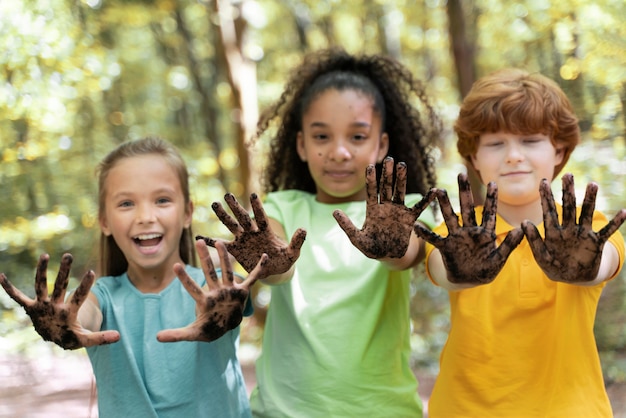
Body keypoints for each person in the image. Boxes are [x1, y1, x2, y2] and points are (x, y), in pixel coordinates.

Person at [197, 48, 442, 417]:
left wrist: (391, 246)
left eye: (357, 137)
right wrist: (271, 261)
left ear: (382, 145)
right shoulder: (281, 207)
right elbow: (281, 264)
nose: (339, 151)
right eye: (322, 137)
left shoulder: (402, 209)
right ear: (301, 145)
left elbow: (406, 255)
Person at [0, 137, 268, 417]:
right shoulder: (102, 296)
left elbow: (236, 293)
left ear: (187, 212)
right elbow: (83, 315)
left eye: (162, 200)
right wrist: (66, 322)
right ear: (104, 220)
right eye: (127, 203)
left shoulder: (213, 289)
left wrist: (242, 290)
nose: (145, 216)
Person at [414, 68, 626, 417]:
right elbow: (442, 268)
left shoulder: (590, 231)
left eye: (529, 141)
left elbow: (600, 265)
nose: (513, 156)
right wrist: (460, 267)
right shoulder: (462, 233)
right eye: (496, 144)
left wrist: (581, 265)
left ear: (559, 151)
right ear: (475, 160)